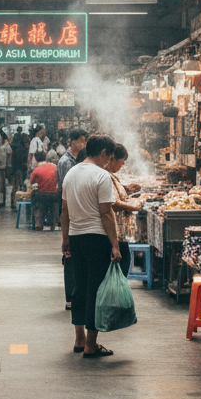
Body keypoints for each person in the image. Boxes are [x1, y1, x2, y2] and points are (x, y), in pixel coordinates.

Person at [61, 132, 122, 358]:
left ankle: (79, 339)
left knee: (79, 287)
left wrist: (65, 239)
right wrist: (114, 245)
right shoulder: (101, 176)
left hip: (76, 237)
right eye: (110, 156)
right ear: (104, 153)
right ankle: (91, 344)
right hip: (97, 238)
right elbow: (106, 213)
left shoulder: (71, 173)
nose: (109, 161)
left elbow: (65, 211)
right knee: (95, 289)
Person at [56, 128, 87, 308]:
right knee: (70, 257)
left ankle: (74, 296)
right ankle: (71, 298)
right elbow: (69, 191)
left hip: (72, 213)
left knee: (73, 257)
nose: (83, 144)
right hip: (70, 212)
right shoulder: (67, 162)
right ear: (73, 141)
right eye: (81, 140)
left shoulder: (74, 161)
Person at [106, 143, 143, 276]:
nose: (122, 166)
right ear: (113, 159)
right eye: (121, 162)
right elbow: (113, 203)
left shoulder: (110, 175)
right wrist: (135, 207)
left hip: (118, 233)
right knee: (121, 266)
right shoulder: (106, 176)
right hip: (114, 232)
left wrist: (126, 189)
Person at [30, 150, 59, 230]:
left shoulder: (36, 170)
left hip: (41, 196)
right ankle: (55, 222)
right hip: (54, 195)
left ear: (36, 159)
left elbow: (32, 183)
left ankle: (37, 222)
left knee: (34, 195)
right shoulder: (54, 166)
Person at [10, 127, 29, 209]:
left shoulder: (14, 148)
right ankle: (17, 203)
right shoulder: (22, 150)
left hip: (15, 169)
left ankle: (13, 203)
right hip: (20, 170)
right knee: (19, 186)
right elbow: (23, 161)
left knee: (14, 186)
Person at [0, 134, 12, 207]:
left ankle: (2, 202)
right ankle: (3, 201)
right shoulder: (8, 147)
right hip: (7, 168)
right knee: (4, 187)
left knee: (1, 187)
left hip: (1, 169)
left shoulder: (2, 148)